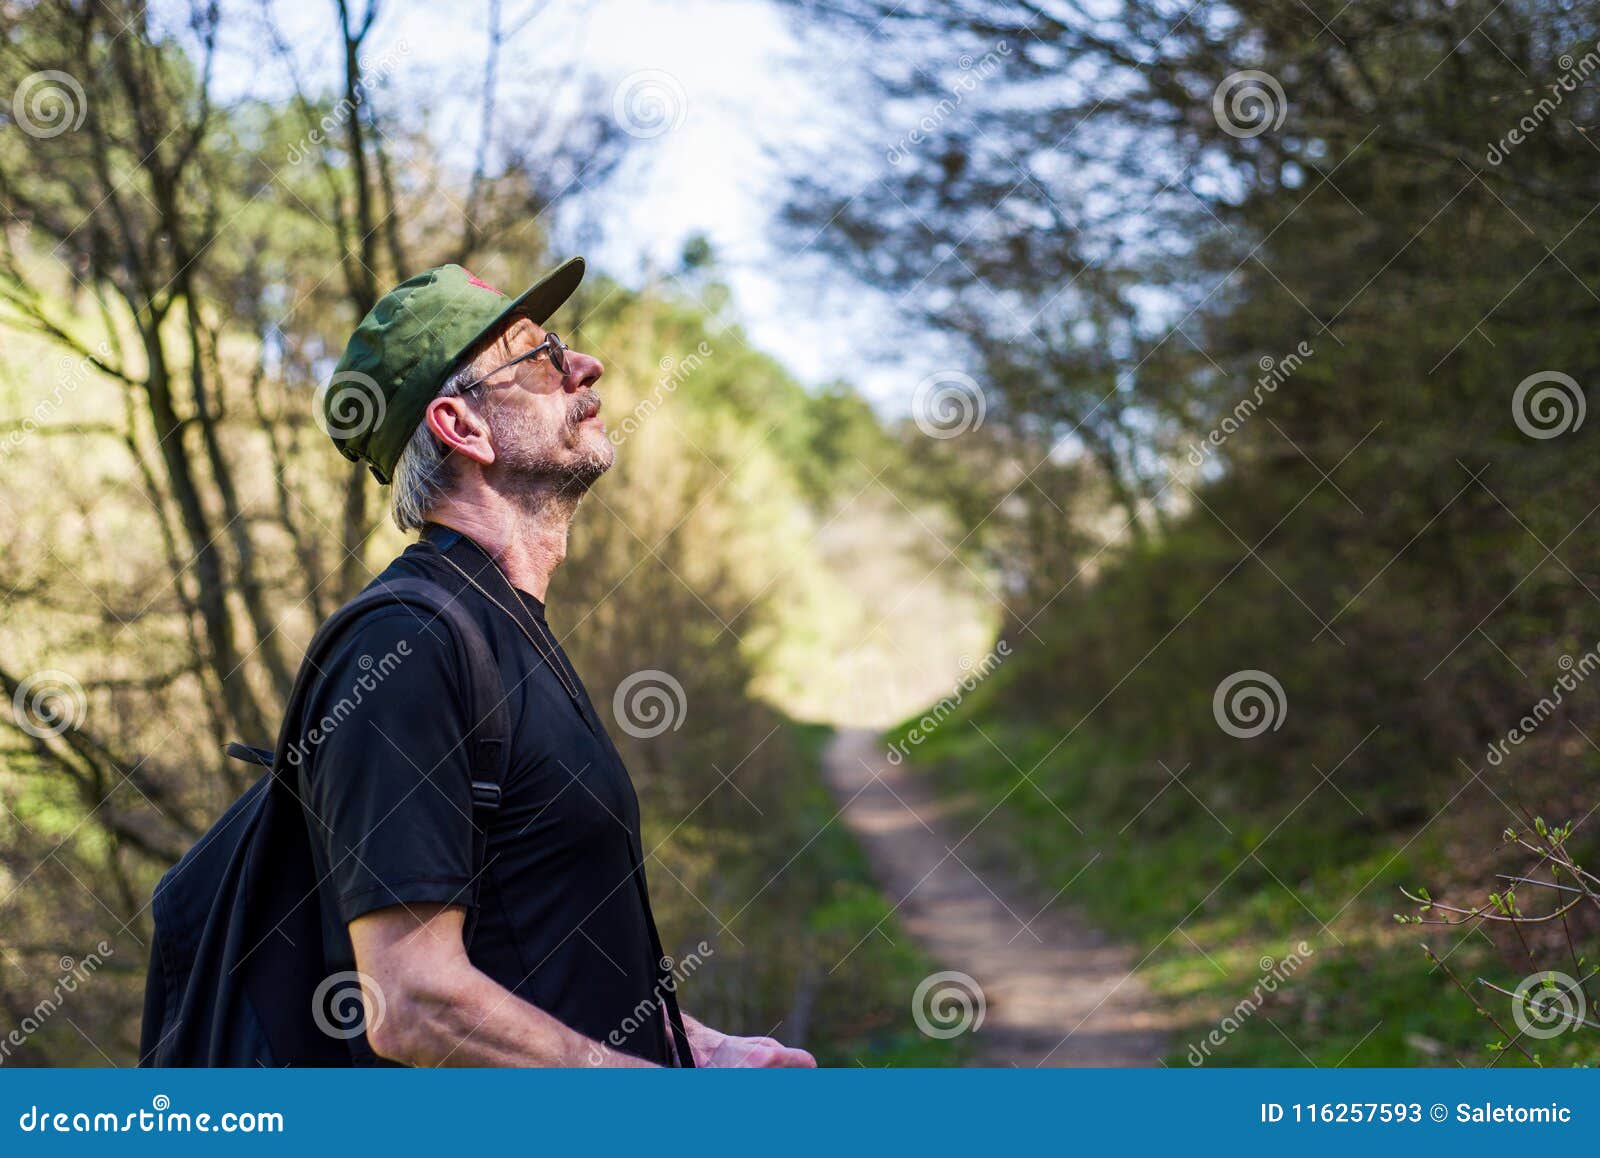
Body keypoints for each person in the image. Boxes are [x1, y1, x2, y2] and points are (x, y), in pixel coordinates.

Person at [306, 258, 816, 1068]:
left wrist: (698, 1051)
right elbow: (411, 1002)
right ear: (461, 427)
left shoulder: (507, 627)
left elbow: (543, 949)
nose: (586, 366)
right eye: (538, 356)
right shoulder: (401, 646)